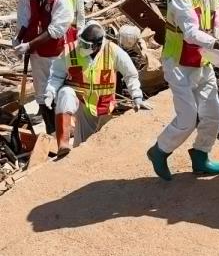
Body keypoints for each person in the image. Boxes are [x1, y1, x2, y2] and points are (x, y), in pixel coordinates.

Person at [147, 0, 219, 181]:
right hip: (179, 65)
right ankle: (159, 151)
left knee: (213, 115)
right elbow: (190, 33)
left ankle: (200, 156)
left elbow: (218, 21)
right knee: (188, 119)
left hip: (201, 62)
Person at [44, 22, 145, 157]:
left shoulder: (113, 51)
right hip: (81, 101)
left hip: (103, 104)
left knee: (98, 147)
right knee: (65, 93)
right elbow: (56, 75)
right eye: (81, 42)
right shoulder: (70, 51)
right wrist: (50, 91)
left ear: (97, 45)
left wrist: (137, 96)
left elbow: (130, 75)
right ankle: (63, 143)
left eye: (86, 45)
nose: (81, 46)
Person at [14, 0, 77, 134]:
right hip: (36, 51)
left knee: (54, 89)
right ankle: (51, 131)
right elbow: (24, 17)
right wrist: (19, 38)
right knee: (41, 90)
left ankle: (63, 129)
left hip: (55, 52)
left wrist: (29, 45)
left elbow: (55, 30)